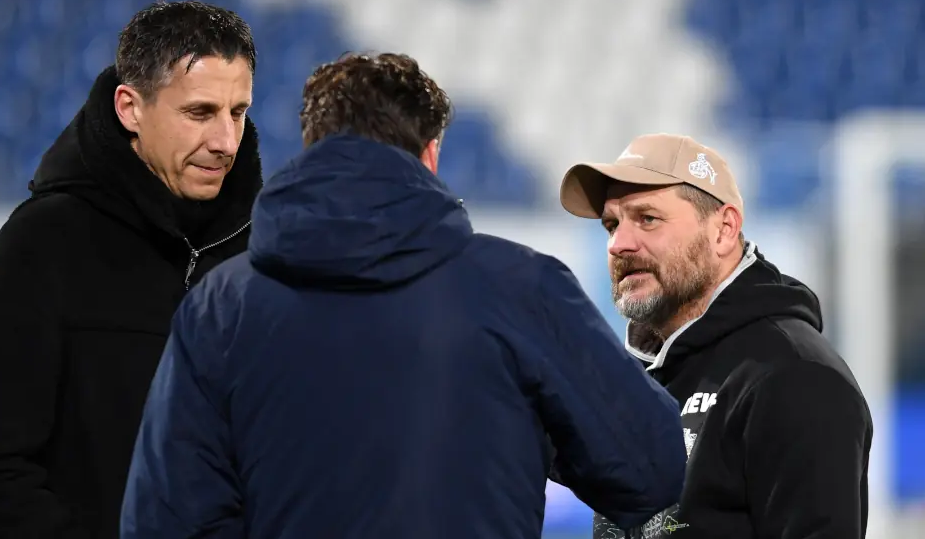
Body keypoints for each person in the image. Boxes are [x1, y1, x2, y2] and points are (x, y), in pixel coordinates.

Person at [120, 52, 687, 539]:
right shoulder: (519, 287)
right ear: (430, 155)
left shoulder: (218, 306)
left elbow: (166, 520)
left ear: (314, 149)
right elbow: (653, 467)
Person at [0, 0, 263, 538]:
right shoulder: (45, 243)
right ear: (131, 108)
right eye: (200, 113)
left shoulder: (262, 251)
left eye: (238, 112)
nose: (226, 141)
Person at [560, 133, 873, 539]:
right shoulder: (636, 373)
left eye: (647, 219)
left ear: (724, 229)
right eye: (611, 225)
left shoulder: (795, 376)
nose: (619, 243)